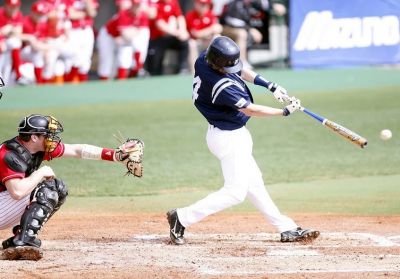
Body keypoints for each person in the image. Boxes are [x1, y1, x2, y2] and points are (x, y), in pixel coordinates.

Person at [167, 36, 320, 245]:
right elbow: (250, 109)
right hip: (228, 138)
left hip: (228, 134)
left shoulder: (205, 60)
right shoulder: (221, 86)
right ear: (218, 64)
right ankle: (182, 217)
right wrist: (283, 112)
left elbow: (239, 70)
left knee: (254, 183)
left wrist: (270, 85)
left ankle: (286, 228)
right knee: (235, 193)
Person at [0, 114, 142, 260]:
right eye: (47, 135)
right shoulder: (10, 155)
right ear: (34, 137)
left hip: (3, 205)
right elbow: (17, 192)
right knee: (49, 189)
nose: (51, 138)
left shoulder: (35, 148)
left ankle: (20, 237)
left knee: (58, 188)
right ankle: (23, 242)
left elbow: (76, 150)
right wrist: (41, 172)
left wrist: (115, 155)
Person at [219, 0, 269, 69]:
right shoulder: (235, 3)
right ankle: (241, 61)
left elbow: (265, 5)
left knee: (254, 36)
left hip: (241, 29)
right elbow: (232, 21)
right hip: (226, 28)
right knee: (242, 34)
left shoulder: (250, 5)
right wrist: (249, 29)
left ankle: (241, 58)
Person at [145, 0, 189, 76]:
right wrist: (176, 32)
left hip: (171, 37)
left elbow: (180, 17)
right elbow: (159, 24)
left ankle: (183, 68)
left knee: (184, 42)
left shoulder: (174, 2)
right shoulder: (157, 4)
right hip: (157, 39)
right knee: (155, 67)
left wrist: (183, 30)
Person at [185, 0, 222, 74]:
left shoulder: (211, 14)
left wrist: (207, 32)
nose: (204, 6)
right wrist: (210, 30)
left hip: (207, 42)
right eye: (201, 4)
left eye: (205, 4)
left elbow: (218, 28)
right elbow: (196, 34)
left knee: (217, 37)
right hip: (196, 42)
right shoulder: (190, 15)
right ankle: (194, 71)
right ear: (196, 4)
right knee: (191, 43)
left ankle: (218, 68)